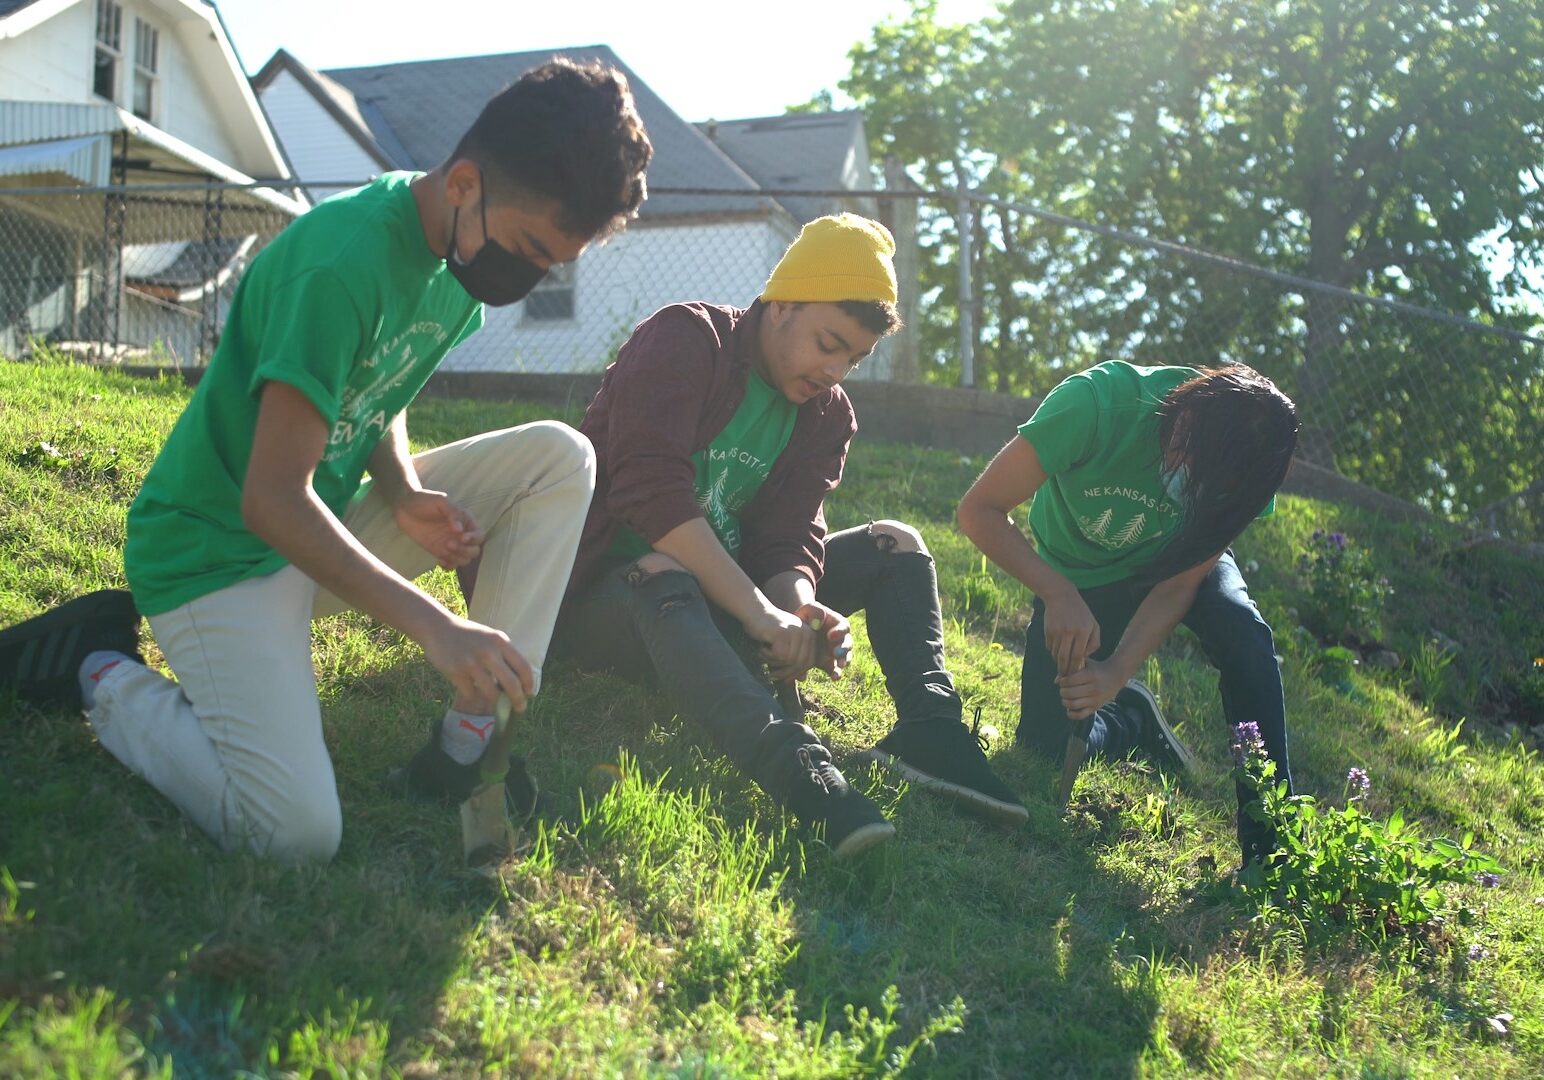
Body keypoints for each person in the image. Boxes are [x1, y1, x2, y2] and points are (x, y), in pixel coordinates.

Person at [0, 59, 653, 862]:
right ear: (463, 184)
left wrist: (404, 486)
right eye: (527, 247)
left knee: (559, 457)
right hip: (216, 554)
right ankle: (99, 671)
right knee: (292, 833)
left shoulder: (457, 254)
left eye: (551, 262)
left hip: (315, 522)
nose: (529, 275)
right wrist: (437, 627)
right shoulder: (340, 261)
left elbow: (378, 377)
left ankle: (471, 739)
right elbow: (271, 501)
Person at [535, 213, 1027, 859]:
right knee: (663, 566)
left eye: (853, 357)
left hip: (717, 606)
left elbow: (790, 534)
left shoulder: (828, 415)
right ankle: (800, 772)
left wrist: (796, 604)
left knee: (895, 542)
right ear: (782, 304)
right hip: (601, 598)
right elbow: (648, 492)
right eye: (829, 343)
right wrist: (759, 612)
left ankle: (931, 731)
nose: (836, 370)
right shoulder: (687, 338)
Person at [957, 360, 1298, 865]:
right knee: (1043, 750)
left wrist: (1117, 670)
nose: (1202, 493)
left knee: (1243, 634)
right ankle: (1129, 722)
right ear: (1183, 422)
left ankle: (1272, 849)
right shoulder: (1096, 405)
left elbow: (1180, 583)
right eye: (1200, 476)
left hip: (1178, 563)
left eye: (1221, 492)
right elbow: (978, 510)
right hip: (1078, 574)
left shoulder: (1246, 474)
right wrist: (1057, 593)